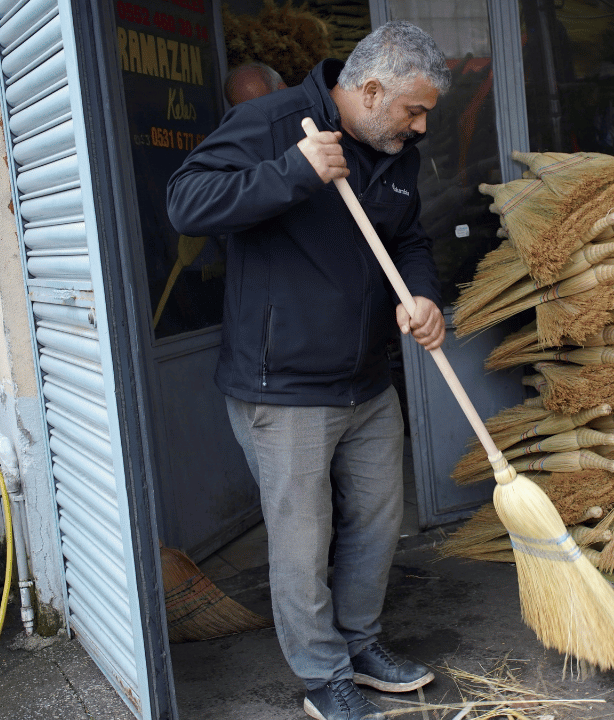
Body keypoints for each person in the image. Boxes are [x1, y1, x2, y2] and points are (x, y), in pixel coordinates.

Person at [166, 21, 450, 720]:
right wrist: (293, 170)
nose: (419, 127)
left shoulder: (394, 148)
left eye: (425, 115)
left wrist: (422, 297)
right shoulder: (268, 122)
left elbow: (407, 237)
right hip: (283, 386)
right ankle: (324, 674)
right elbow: (185, 204)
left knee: (378, 525)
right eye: (413, 110)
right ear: (372, 89)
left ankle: (359, 645)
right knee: (302, 540)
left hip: (364, 379)